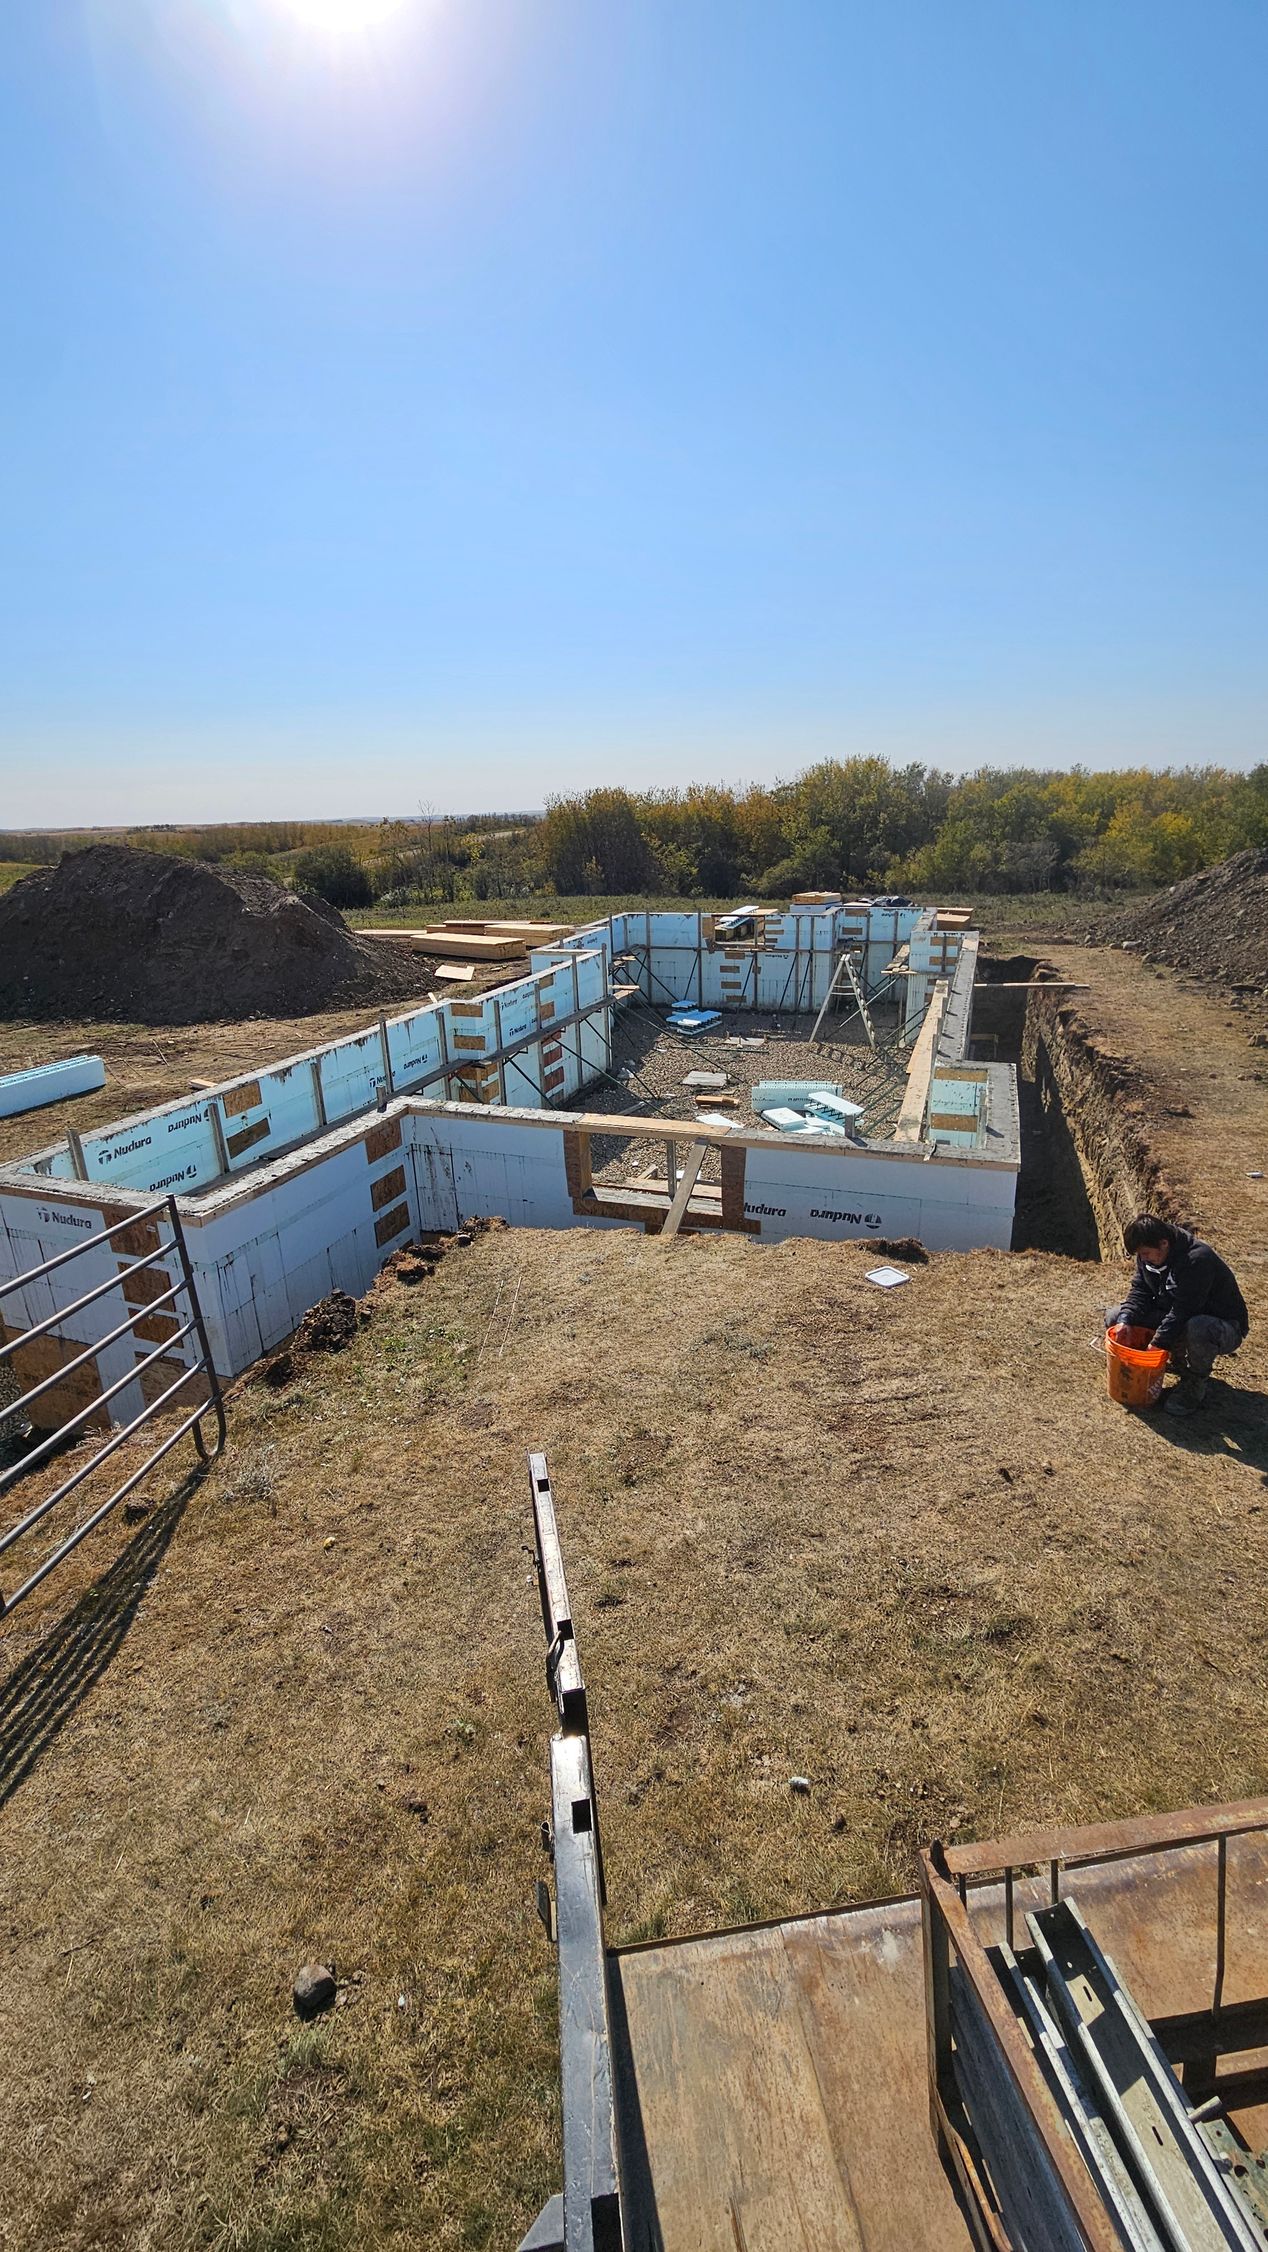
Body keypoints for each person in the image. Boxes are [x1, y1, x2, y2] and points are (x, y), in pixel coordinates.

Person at [1109, 1214, 1249, 1417]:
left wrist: (1158, 1342)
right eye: (1140, 1255)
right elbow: (1140, 1291)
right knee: (1115, 1318)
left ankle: (1194, 1382)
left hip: (1221, 1326)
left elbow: (1184, 1310)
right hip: (1177, 1315)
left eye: (1146, 1253)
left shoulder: (1197, 1260)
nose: (1144, 1258)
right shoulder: (1149, 1254)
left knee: (1198, 1327)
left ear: (1163, 1244)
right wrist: (1125, 1320)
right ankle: (1173, 1360)